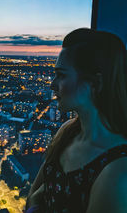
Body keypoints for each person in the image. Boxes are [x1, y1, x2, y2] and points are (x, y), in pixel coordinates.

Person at [25, 28, 127, 213]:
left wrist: (35, 205)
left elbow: (35, 198)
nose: (52, 84)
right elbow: (33, 194)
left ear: (96, 83)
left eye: (62, 75)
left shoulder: (118, 173)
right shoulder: (67, 131)